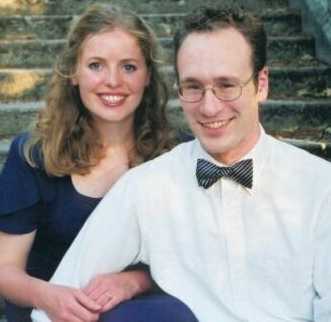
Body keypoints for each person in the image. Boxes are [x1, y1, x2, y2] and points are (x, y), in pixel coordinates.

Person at [32, 4, 331, 322]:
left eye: (227, 85)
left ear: (262, 84)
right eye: (193, 87)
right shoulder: (144, 187)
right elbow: (58, 305)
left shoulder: (319, 186)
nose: (210, 106)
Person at [0, 3, 197, 322]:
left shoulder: (177, 153)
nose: (113, 81)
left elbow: (195, 258)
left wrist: (134, 281)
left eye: (129, 67)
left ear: (148, 76)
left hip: (146, 310)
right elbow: (5, 271)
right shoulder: (34, 155)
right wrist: (50, 297)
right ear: (73, 73)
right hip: (53, 312)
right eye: (96, 65)